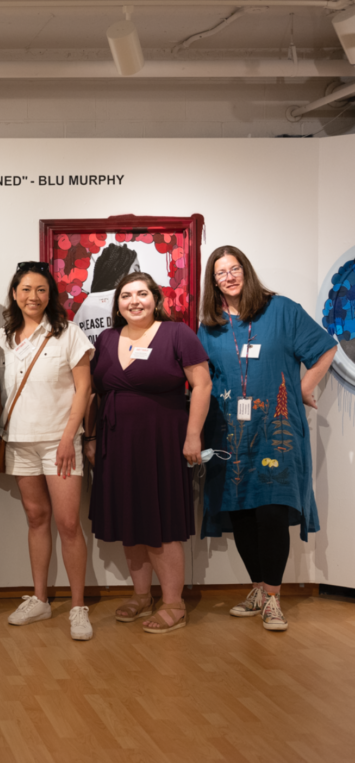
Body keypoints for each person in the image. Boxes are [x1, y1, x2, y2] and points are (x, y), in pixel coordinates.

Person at [197, 246, 337, 632]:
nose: (229, 276)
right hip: (229, 432)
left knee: (271, 511)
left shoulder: (282, 310)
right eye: (220, 272)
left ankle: (273, 598)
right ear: (213, 282)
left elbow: (326, 348)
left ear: (246, 271)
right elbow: (200, 379)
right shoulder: (209, 327)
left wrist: (304, 386)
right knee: (241, 511)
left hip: (276, 432)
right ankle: (258, 588)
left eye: (235, 268)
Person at [84, 272, 211, 634]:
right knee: (130, 518)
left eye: (142, 294)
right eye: (126, 295)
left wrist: (193, 436)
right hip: (116, 443)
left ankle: (173, 602)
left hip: (162, 441)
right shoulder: (107, 338)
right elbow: (95, 394)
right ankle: (142, 595)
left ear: (155, 299)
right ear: (117, 303)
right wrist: (90, 438)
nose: (134, 301)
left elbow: (202, 384)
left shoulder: (177, 334)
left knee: (162, 520)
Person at [0, 261, 94, 641]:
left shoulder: (68, 333)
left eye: (40, 289)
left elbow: (84, 390)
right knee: (36, 519)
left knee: (68, 525)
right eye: (25, 289)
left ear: (49, 294)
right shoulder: (5, 337)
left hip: (59, 442)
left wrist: (70, 437)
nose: (32, 296)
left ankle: (78, 608)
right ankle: (39, 598)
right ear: (15, 294)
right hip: (19, 441)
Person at [73, 243, 141, 345]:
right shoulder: (129, 302)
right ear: (119, 269)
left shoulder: (83, 308)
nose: (141, 275)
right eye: (136, 269)